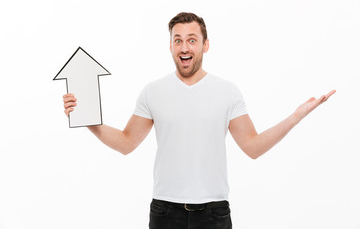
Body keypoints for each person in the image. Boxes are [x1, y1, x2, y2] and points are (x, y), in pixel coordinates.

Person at [62, 12, 335, 229]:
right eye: (178, 40)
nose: (184, 46)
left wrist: (296, 116)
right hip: (165, 211)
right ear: (170, 45)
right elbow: (126, 142)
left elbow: (253, 147)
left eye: (192, 39)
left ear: (205, 44)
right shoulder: (153, 91)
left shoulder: (227, 91)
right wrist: (87, 119)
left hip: (214, 214)